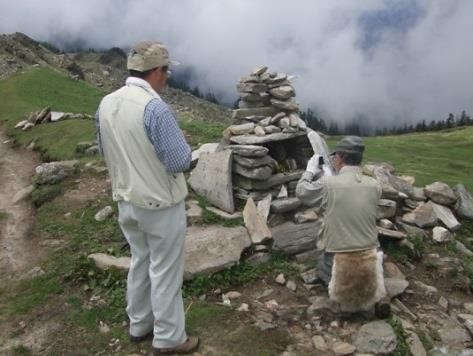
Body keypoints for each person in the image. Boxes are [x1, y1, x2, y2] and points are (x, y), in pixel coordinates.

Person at [95, 40, 199, 354]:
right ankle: (169, 338)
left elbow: (104, 150)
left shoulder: (106, 103)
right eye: (165, 70)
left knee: (140, 261)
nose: (167, 76)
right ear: (154, 71)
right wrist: (194, 155)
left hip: (126, 200)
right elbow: (179, 161)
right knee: (166, 270)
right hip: (160, 204)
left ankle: (139, 324)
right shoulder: (155, 108)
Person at [296, 135, 389, 317]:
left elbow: (302, 192)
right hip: (370, 251)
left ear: (339, 157)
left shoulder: (327, 184)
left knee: (322, 263)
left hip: (338, 255)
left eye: (335, 157)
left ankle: (341, 298)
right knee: (374, 260)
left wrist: (310, 170)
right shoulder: (375, 185)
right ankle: (378, 295)